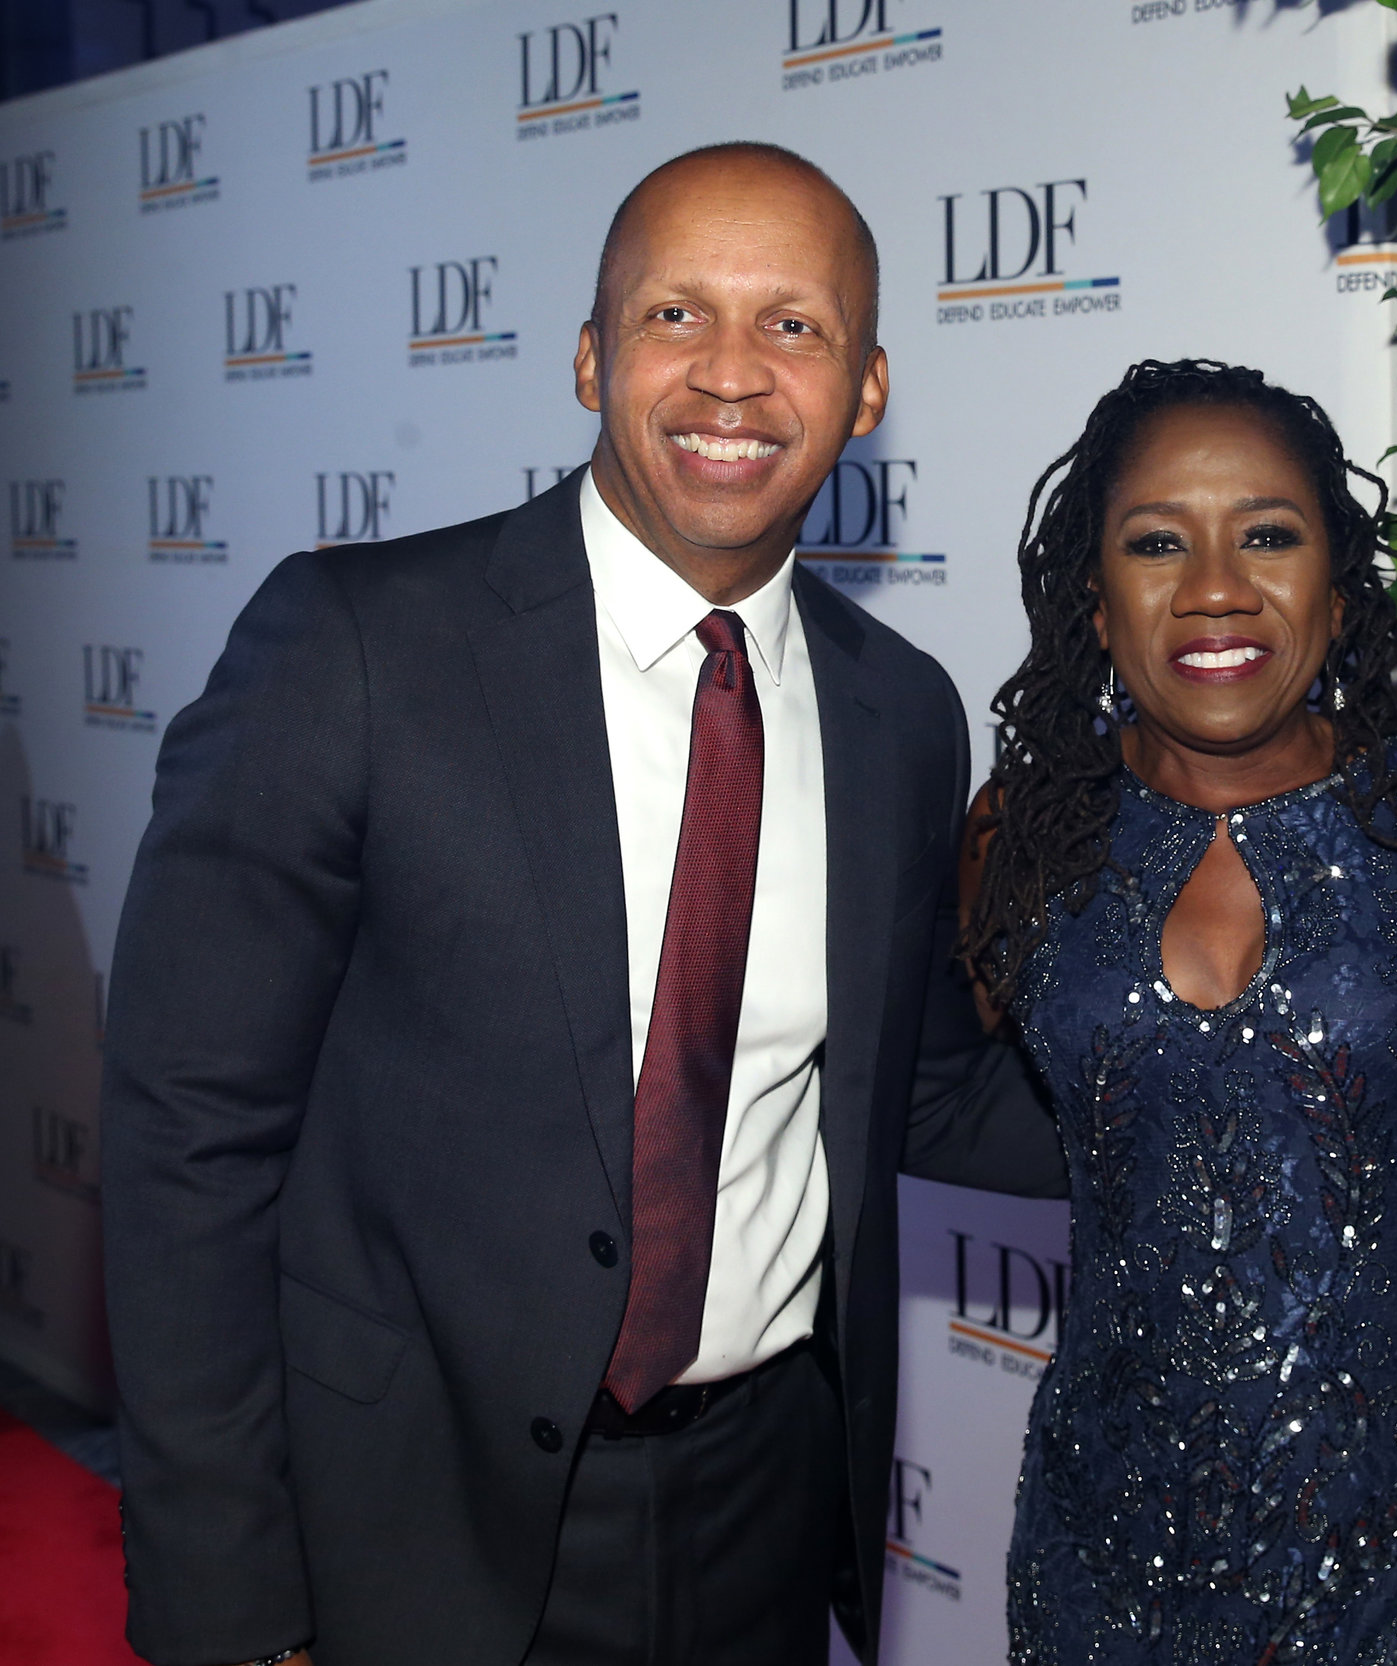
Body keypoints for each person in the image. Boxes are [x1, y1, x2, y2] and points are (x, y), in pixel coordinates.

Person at [100, 142, 1059, 1666]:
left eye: (795, 326)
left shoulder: (901, 711)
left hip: (765, 1501)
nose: (732, 377)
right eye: (677, 315)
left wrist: (1231, 1083)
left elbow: (920, 1083)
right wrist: (231, 1604)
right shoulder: (355, 650)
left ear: (868, 389)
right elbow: (184, 1142)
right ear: (589, 354)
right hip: (408, 1528)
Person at [960, 359, 1397, 1665]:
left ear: (1338, 583)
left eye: (1267, 534)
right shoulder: (1025, 831)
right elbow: (928, 1099)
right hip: (1100, 1573)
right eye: (1156, 543)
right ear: (1096, 594)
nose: (1215, 588)